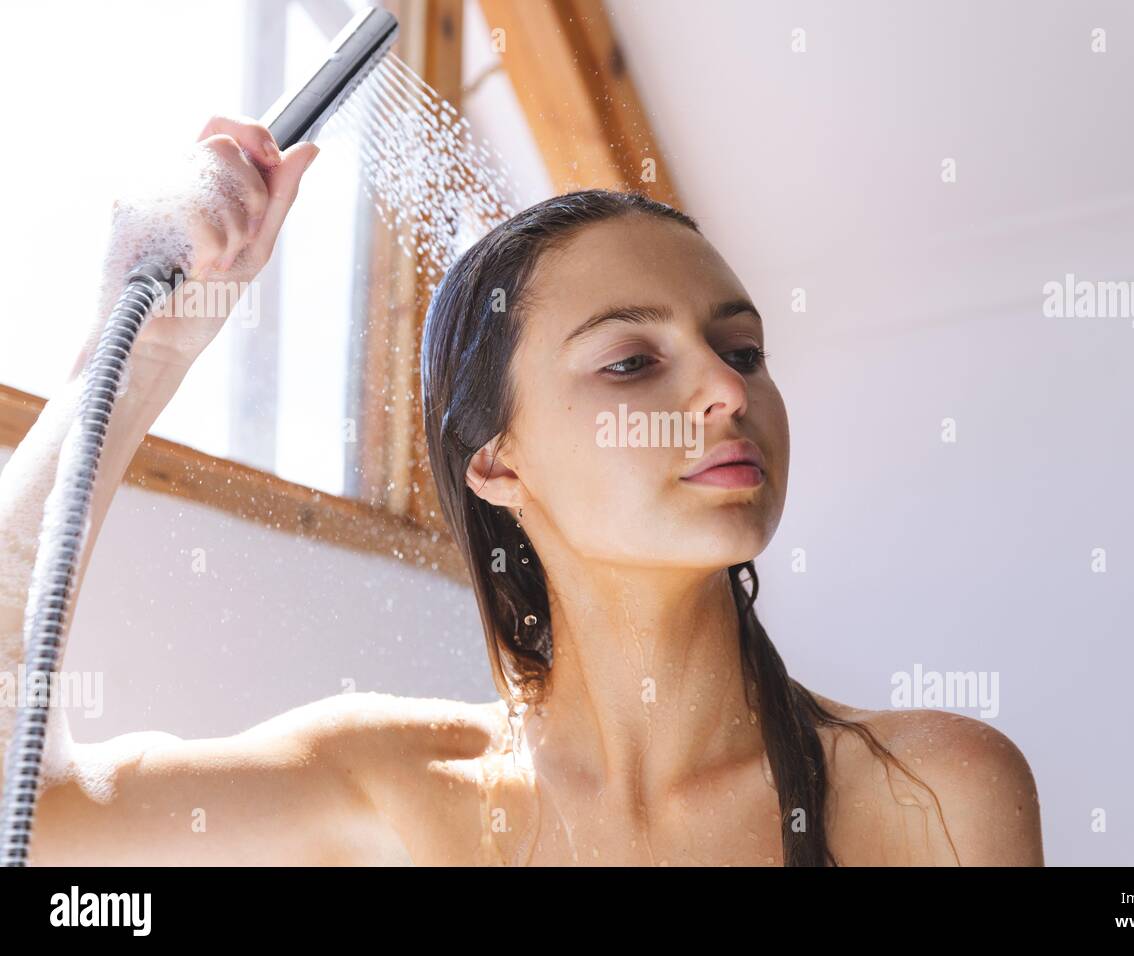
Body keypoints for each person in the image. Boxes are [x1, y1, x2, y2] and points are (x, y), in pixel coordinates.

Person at [0, 115, 1043, 866]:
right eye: (632, 362)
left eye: (743, 347)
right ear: (494, 461)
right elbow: (25, 823)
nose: (728, 390)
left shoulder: (933, 791)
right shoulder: (390, 792)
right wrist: (140, 356)